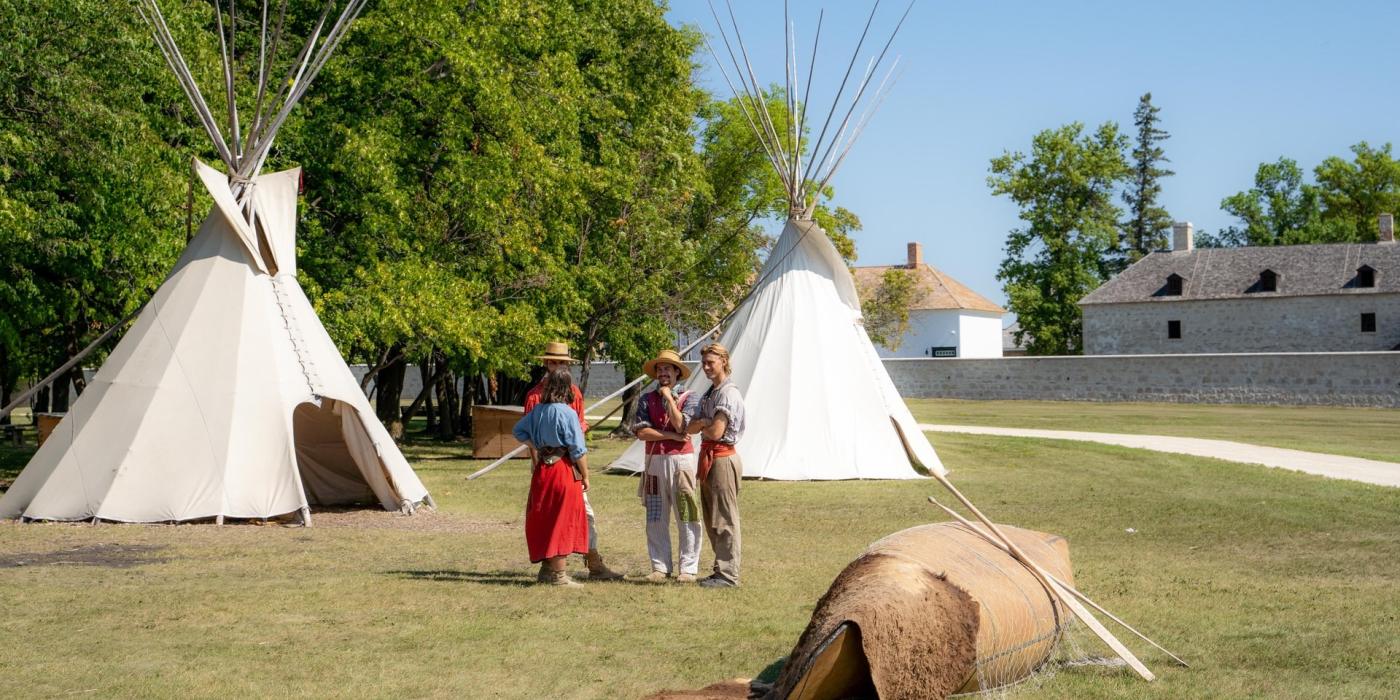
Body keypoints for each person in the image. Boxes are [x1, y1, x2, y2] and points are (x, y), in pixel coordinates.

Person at [522, 341, 624, 581]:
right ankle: (551, 568)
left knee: (583, 513)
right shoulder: (534, 396)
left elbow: (579, 426)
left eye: (562, 363)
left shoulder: (574, 393)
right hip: (546, 464)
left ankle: (594, 563)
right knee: (548, 514)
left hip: (571, 464)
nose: (557, 366)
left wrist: (578, 454)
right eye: (553, 362)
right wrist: (539, 457)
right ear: (546, 363)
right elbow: (526, 431)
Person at [512, 368, 591, 587]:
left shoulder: (537, 411)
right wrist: (585, 475)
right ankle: (558, 575)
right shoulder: (567, 413)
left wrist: (536, 446)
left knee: (545, 517)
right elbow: (577, 449)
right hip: (562, 470)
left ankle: (547, 570)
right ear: (566, 388)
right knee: (561, 519)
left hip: (542, 472)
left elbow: (518, 431)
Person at [631, 349, 703, 583]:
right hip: (654, 463)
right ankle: (660, 566)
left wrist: (669, 398)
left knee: (686, 513)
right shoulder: (646, 399)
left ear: (677, 373)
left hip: (681, 462)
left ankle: (688, 568)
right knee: (655, 515)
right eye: (659, 369)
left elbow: (682, 425)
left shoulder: (690, 397)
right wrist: (668, 436)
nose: (662, 373)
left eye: (667, 369)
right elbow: (642, 432)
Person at [686, 342, 745, 588]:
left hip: (722, 458)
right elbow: (690, 428)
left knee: (725, 517)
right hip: (709, 457)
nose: (706, 367)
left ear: (723, 361)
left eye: (711, 362)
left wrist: (703, 424)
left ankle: (728, 574)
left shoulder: (728, 393)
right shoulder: (711, 392)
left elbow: (716, 431)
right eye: (704, 363)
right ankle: (720, 569)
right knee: (712, 517)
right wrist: (703, 423)